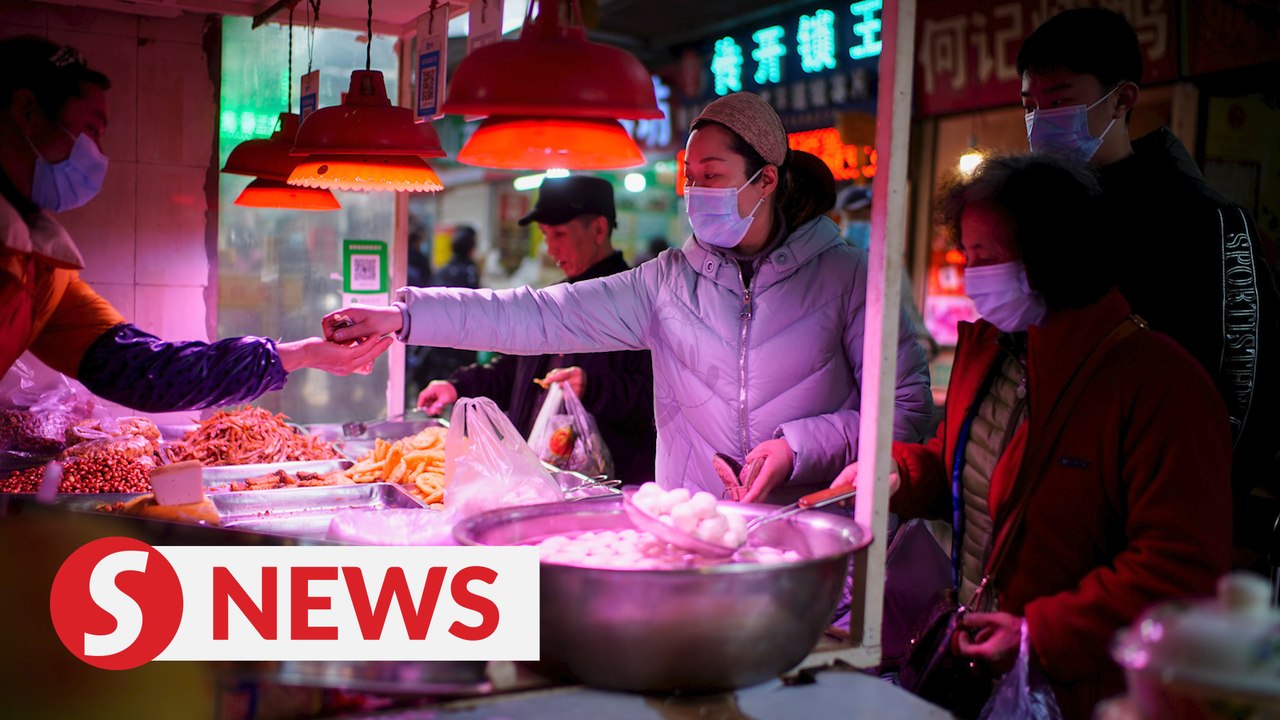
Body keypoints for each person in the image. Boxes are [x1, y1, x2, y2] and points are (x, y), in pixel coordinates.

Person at [330, 92, 934, 501]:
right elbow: (537, 317)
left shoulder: (853, 277)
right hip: (694, 534)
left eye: (714, 176)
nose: (696, 192)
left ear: (767, 178)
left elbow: (905, 412)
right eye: (690, 177)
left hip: (811, 540)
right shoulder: (666, 281)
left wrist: (797, 449)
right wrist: (405, 316)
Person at [832, 154, 1232, 718]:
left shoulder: (1160, 385)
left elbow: (1180, 567)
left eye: (987, 258)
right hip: (980, 665)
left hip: (1088, 690)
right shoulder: (992, 351)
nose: (972, 275)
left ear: (1055, 253)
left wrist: (1038, 633)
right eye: (966, 256)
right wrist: (898, 474)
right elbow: (963, 469)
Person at [1017, 8, 1280, 564]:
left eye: (1060, 101)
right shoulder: (1037, 222)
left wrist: (1182, 500)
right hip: (1054, 518)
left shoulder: (1208, 221)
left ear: (1122, 99)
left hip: (1157, 526)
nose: (1041, 120)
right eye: (1029, 105)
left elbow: (1246, 386)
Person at [0, 36, 387, 411]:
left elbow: (146, 372)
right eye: (91, 130)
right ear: (28, 112)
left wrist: (298, 355)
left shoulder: (40, 269)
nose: (98, 155)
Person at [416, 178, 657, 482]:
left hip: (608, 489)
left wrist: (592, 387)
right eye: (545, 234)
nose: (549, 246)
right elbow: (515, 370)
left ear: (597, 229)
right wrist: (457, 386)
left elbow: (655, 397)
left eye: (559, 233)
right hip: (538, 480)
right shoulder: (553, 302)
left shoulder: (636, 304)